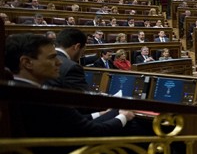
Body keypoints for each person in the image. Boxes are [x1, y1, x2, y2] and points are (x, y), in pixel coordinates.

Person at [4, 33, 136, 138]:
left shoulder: (14, 90)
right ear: (27, 62)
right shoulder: (45, 97)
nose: (59, 63)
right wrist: (123, 116)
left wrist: (100, 114)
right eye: (51, 58)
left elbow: (69, 122)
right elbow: (93, 132)